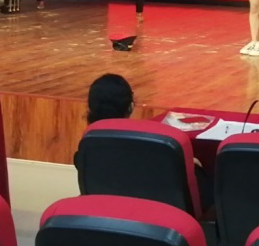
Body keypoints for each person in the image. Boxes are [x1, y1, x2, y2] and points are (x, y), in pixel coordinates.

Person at [82, 73, 213, 210]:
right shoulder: (149, 146)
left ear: (89, 108)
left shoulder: (87, 147)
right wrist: (187, 165)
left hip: (105, 213)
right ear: (131, 107)